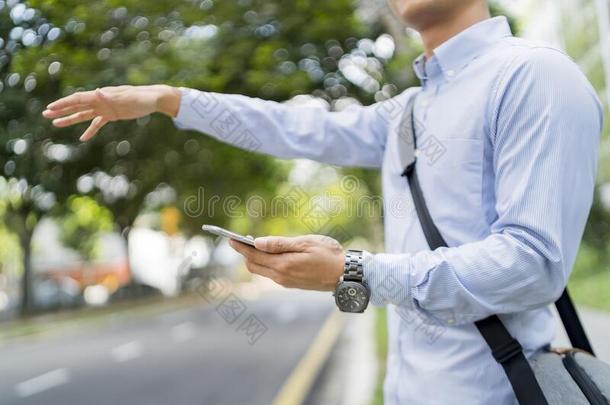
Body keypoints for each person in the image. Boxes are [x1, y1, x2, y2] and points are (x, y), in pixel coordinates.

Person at [43, 0, 603, 403]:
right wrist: (171, 100)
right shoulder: (407, 112)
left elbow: (532, 265)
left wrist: (353, 270)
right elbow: (297, 128)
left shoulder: (533, 75)